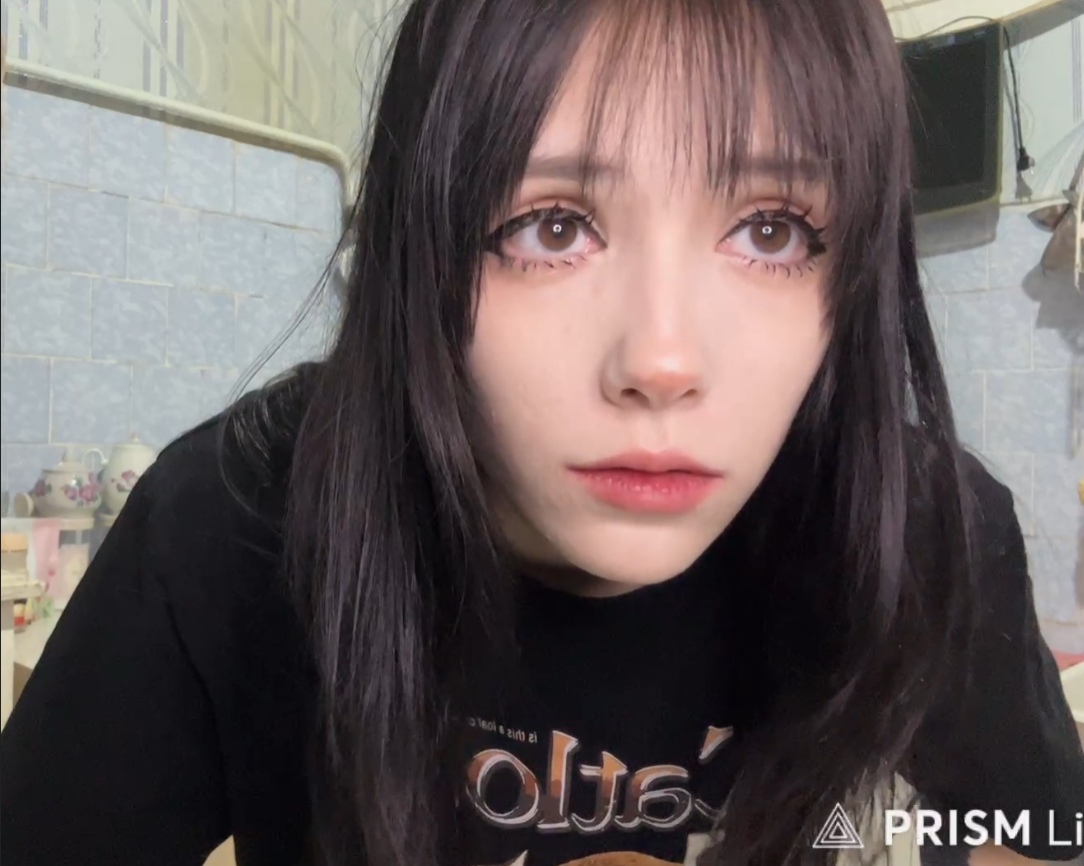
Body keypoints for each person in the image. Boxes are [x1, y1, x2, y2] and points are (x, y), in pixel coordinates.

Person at [2, 1, 1083, 865]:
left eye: (770, 230)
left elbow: (1029, 837)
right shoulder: (235, 524)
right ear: (421, 252)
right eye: (553, 226)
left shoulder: (925, 531)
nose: (662, 359)